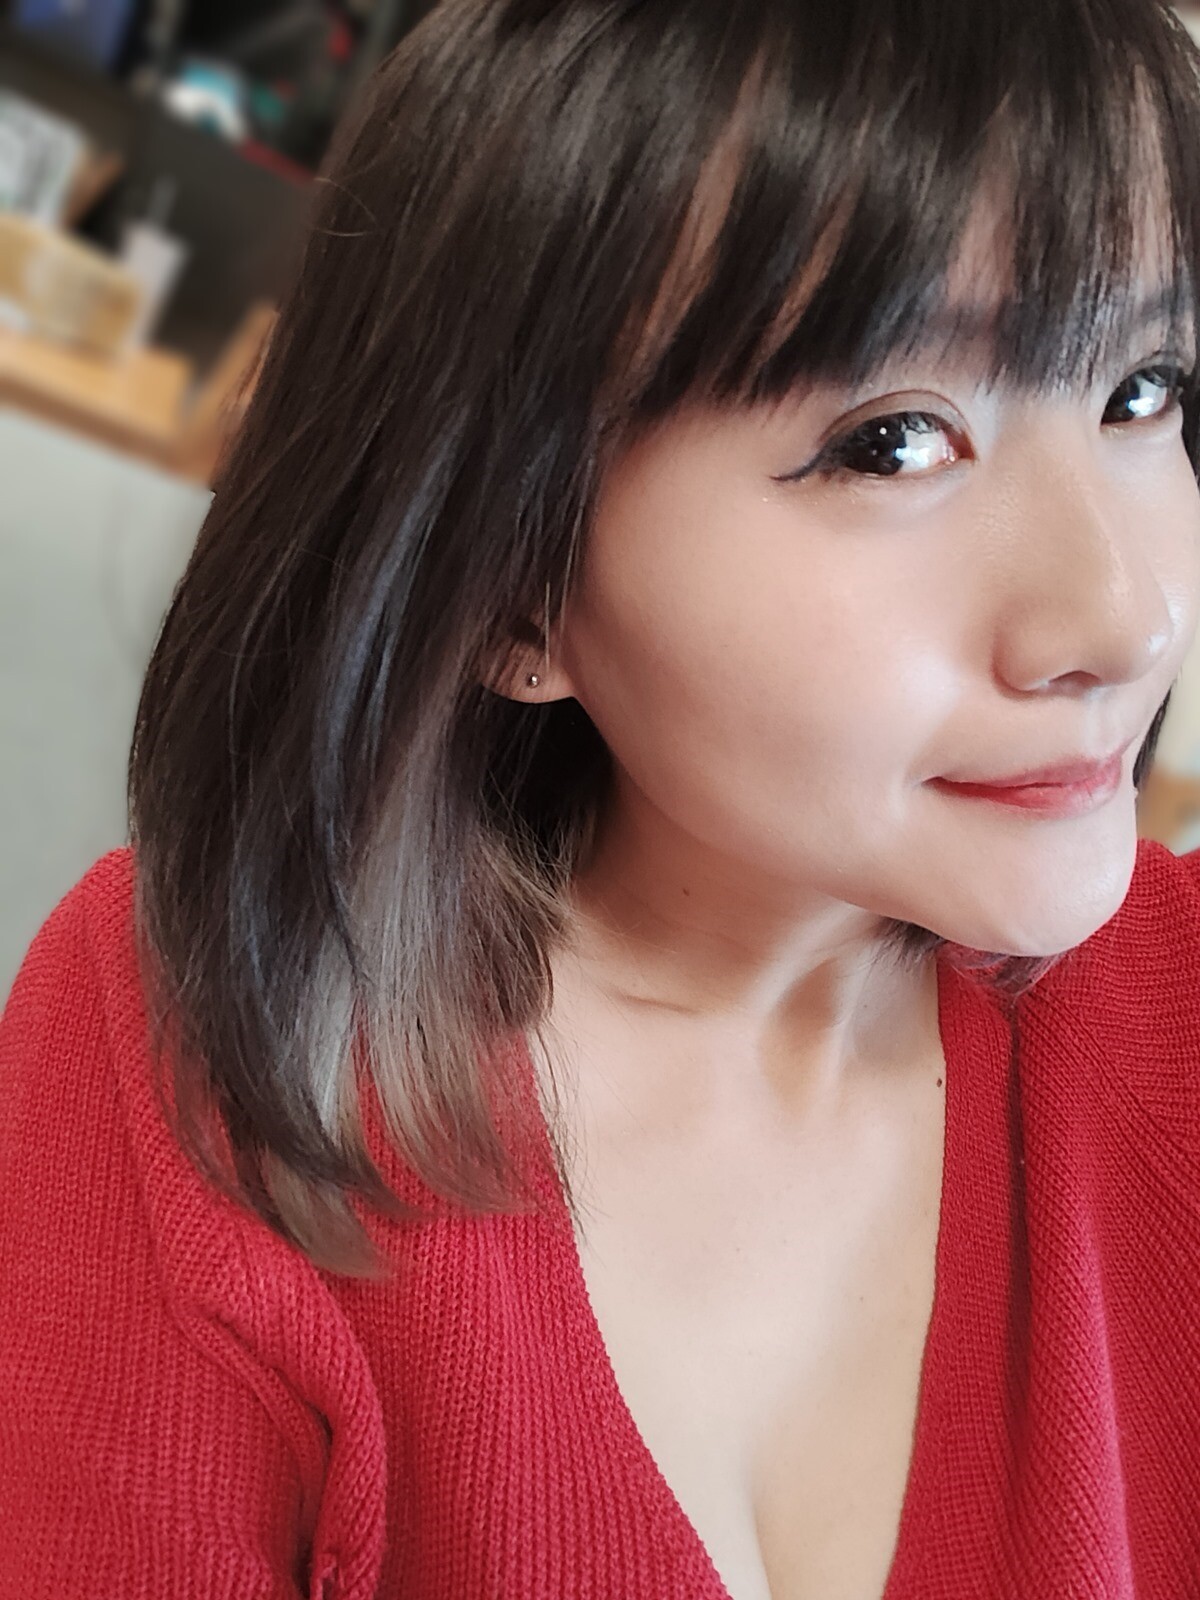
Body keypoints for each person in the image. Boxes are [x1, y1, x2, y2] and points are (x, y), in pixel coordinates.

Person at [4, 0, 1200, 1595]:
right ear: (512, 583)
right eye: (892, 442)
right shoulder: (215, 1052)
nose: (1122, 618)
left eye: (1143, 390)